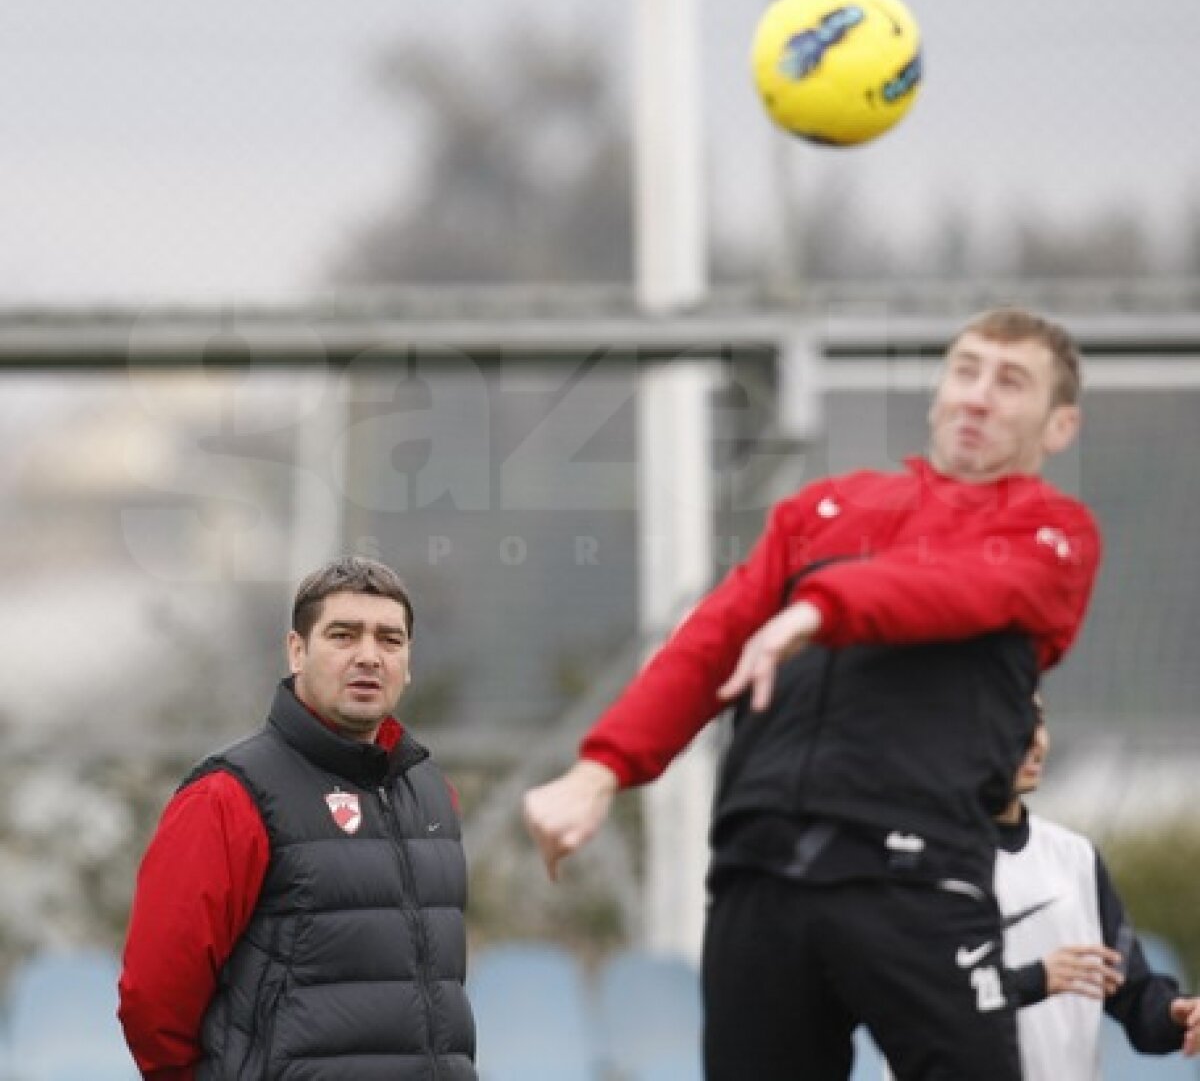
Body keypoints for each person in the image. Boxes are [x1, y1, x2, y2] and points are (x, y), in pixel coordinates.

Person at [524, 307, 1102, 1081]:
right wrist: (598, 772)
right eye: (965, 370)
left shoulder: (1053, 534)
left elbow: (954, 588)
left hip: (916, 878)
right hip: (759, 874)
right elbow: (709, 642)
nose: (978, 396)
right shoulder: (825, 509)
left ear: (1058, 425)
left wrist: (820, 607)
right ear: (938, 392)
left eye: (1011, 381)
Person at [118, 556, 477, 1081]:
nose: (369, 657)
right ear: (297, 651)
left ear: (408, 661)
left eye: (389, 640)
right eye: (343, 636)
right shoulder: (227, 795)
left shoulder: (432, 793)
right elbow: (154, 996)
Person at [994, 695, 1200, 1077]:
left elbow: (1134, 993)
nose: (1038, 740)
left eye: (1040, 721)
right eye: (1017, 720)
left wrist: (1176, 1014)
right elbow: (917, 1000)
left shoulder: (1075, 858)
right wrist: (1034, 980)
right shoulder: (918, 862)